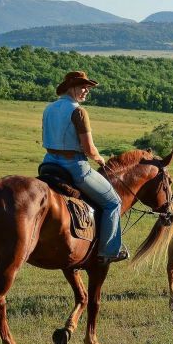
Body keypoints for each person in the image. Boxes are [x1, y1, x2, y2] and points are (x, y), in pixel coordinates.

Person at [42, 71, 128, 263]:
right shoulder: (78, 111)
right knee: (113, 202)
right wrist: (100, 159)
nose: (86, 91)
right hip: (74, 166)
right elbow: (88, 148)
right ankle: (109, 251)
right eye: (83, 87)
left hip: (48, 163)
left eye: (87, 88)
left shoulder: (49, 108)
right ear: (71, 87)